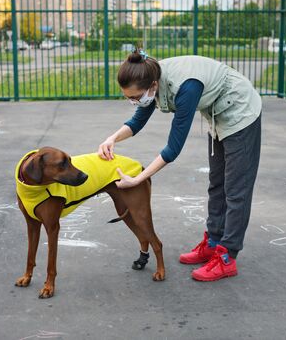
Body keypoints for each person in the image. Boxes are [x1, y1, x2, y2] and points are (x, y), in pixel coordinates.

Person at [97, 50, 262, 282]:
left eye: (135, 97)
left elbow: (173, 148)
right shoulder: (148, 77)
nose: (134, 102)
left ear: (152, 86)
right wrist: (111, 139)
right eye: (129, 98)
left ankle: (227, 256)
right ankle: (213, 242)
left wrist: (138, 179)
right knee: (217, 185)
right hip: (218, 114)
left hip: (240, 111)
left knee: (236, 190)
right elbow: (137, 121)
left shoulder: (187, 88)